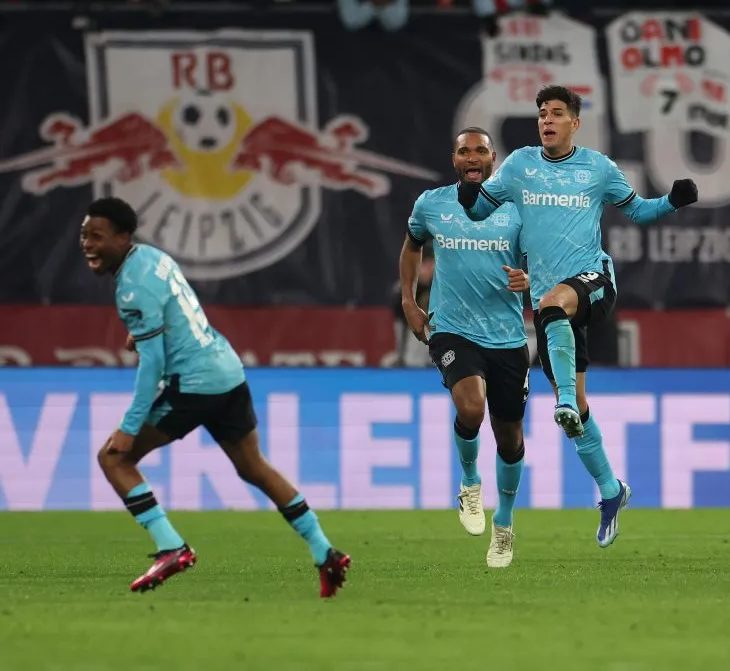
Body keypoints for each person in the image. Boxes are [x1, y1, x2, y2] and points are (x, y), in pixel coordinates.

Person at [456, 85, 699, 547]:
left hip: (592, 279)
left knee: (554, 323)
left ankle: (564, 402)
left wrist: (672, 200)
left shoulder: (597, 168)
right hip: (551, 307)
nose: (547, 121)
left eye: (556, 114)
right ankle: (611, 490)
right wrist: (469, 195)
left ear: (575, 122)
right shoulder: (520, 166)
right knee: (580, 407)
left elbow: (640, 212)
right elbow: (481, 209)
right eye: (542, 114)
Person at [80, 197, 351, 595]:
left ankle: (171, 547)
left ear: (122, 238)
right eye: (84, 235)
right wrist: (143, 334)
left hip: (193, 384)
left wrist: (129, 426)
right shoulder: (151, 258)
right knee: (253, 467)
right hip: (227, 370)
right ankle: (324, 551)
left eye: (97, 236)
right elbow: (177, 308)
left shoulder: (132, 288)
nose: (87, 244)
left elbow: (151, 367)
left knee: (115, 457)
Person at [400, 127, 530, 568]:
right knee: (471, 408)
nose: (472, 157)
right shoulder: (431, 204)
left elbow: (544, 260)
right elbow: (412, 244)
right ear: (454, 159)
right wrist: (409, 301)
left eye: (480, 150)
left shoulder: (517, 209)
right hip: (453, 329)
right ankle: (470, 483)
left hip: (509, 337)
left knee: (510, 437)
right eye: (463, 151)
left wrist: (530, 280)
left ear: (494, 158)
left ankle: (505, 524)